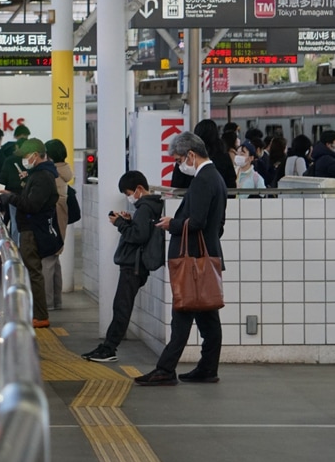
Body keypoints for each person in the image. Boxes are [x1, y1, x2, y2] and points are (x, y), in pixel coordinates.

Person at [135, 132, 226, 386]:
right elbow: (218, 224)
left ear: (191, 155)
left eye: (178, 160)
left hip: (193, 261)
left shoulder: (203, 180)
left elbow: (196, 221)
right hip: (205, 256)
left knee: (182, 315)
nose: (178, 165)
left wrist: (171, 224)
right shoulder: (215, 178)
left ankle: (165, 369)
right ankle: (208, 368)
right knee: (208, 318)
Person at [83, 170, 164, 362]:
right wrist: (129, 221)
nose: (128, 197)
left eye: (128, 193)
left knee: (122, 307)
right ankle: (107, 347)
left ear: (139, 189)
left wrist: (120, 223)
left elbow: (138, 236)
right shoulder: (148, 207)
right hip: (135, 264)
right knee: (121, 306)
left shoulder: (145, 208)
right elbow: (140, 230)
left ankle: (109, 348)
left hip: (133, 265)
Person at [2, 137, 59, 328]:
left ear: (35, 155)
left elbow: (32, 205)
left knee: (33, 272)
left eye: (26, 156)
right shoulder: (40, 174)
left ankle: (40, 316)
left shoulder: (42, 177)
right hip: (31, 228)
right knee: (31, 271)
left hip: (33, 230)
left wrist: (11, 198)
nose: (24, 160)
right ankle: (35, 312)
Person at [42, 139, 74, 310]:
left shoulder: (51, 172)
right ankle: (56, 300)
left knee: (47, 260)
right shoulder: (64, 170)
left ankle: (47, 303)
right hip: (61, 215)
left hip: (52, 215)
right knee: (54, 259)